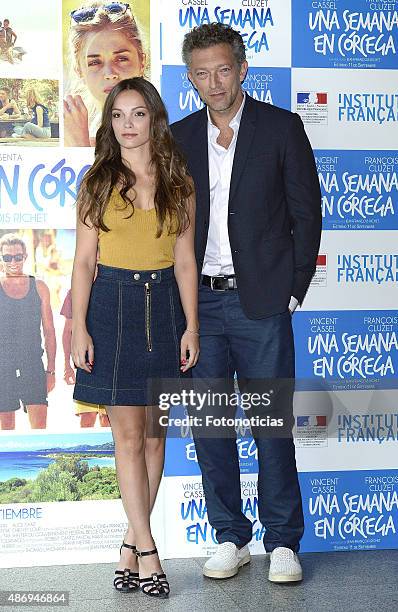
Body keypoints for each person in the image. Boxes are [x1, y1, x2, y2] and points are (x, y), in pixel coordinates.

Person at [171, 23, 322, 583]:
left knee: (271, 426)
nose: (213, 83)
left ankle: (283, 542)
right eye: (201, 74)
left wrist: (293, 287)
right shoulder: (180, 137)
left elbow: (308, 214)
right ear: (190, 78)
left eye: (222, 70)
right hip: (199, 309)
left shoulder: (281, 128)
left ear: (242, 69)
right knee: (210, 428)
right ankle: (230, 536)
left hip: (260, 303)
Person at [71, 77, 199, 598]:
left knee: (154, 437)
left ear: (154, 120)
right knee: (126, 436)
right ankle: (149, 549)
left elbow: (186, 261)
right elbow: (83, 262)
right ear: (110, 124)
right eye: (118, 115)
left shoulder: (180, 184)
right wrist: (77, 325)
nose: (127, 125)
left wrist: (191, 324)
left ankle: (129, 540)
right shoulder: (96, 182)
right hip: (112, 309)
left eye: (138, 114)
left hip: (166, 308)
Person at [64, 1, 147, 147]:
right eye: (95, 62)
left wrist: (79, 147)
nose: (109, 74)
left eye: (121, 59)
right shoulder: (75, 131)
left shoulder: (160, 129)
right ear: (79, 71)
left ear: (142, 62)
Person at [0, 234, 56, 430]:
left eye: (17, 256)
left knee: (39, 427)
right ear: (1, 258)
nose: (13, 261)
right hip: (2, 367)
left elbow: (49, 332)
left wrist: (51, 370)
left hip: (32, 365)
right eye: (7, 257)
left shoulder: (39, 287)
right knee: (5, 429)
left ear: (24, 256)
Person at [60, 289, 110, 427]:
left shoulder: (117, 285)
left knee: (109, 420)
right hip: (86, 367)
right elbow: (68, 331)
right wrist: (67, 365)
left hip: (112, 366)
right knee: (87, 418)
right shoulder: (74, 291)